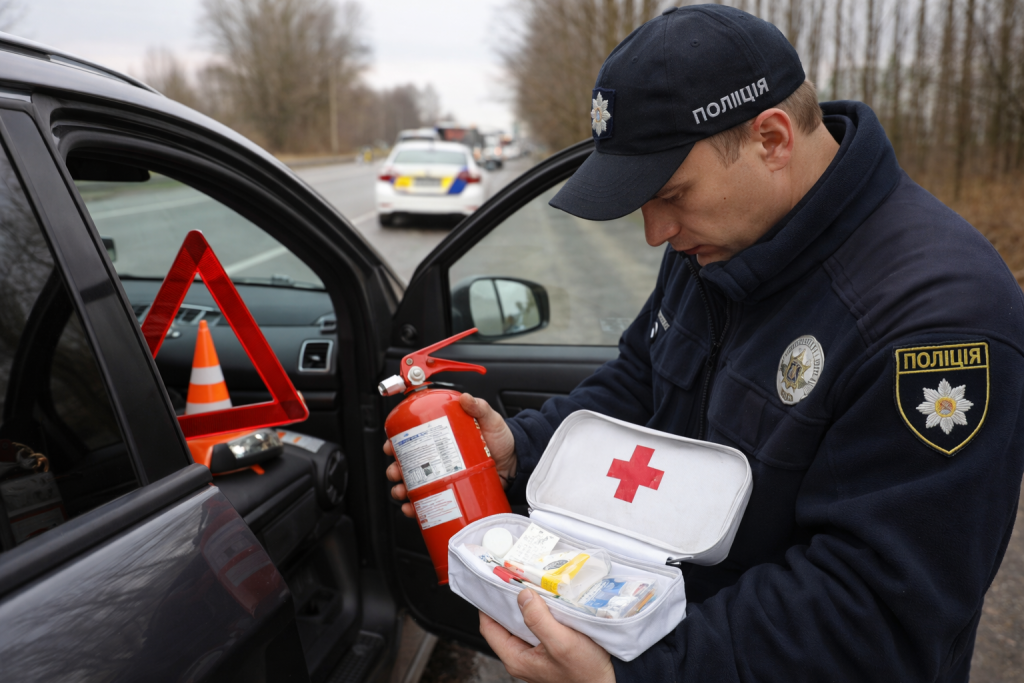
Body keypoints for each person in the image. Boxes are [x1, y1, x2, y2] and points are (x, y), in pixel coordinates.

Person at [385, 5, 1024, 682]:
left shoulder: (938, 323)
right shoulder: (720, 239)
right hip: (650, 626)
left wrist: (631, 676)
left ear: (772, 139)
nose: (655, 232)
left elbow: (873, 614)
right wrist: (524, 446)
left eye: (671, 194)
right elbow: (644, 379)